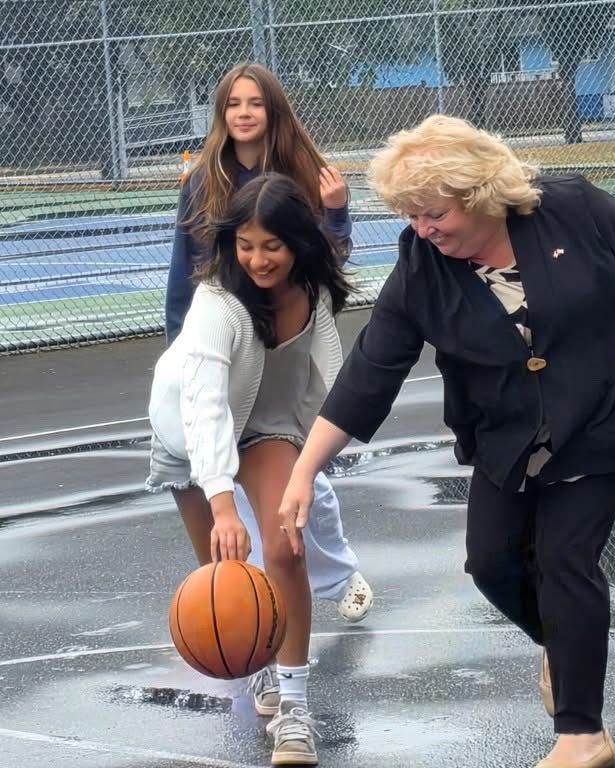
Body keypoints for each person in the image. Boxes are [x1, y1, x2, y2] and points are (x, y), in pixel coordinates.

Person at [276, 116, 615, 768]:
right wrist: (306, 469)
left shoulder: (573, 208)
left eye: (434, 212)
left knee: (565, 557)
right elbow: (371, 371)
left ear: (478, 193)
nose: (422, 228)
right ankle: (563, 647)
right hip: (510, 429)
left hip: (608, 409)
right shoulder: (422, 263)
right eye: (411, 215)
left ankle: (582, 735)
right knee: (491, 562)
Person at [163, 63, 373, 704]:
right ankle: (252, 651)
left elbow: (328, 278)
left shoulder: (303, 182)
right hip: (198, 400)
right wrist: (185, 349)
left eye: (256, 103)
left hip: (273, 402)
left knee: (293, 522)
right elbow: (202, 398)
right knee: (224, 557)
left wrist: (335, 217)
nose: (245, 113)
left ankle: (295, 691)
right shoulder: (205, 189)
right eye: (234, 103)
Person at [147, 173, 355, 764]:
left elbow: (323, 380)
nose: (258, 259)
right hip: (187, 431)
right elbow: (207, 404)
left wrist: (313, 462)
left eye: (273, 245)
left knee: (285, 548)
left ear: (298, 244)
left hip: (267, 425)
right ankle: (257, 663)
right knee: (226, 566)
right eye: (245, 244)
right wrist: (220, 502)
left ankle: (293, 711)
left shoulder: (313, 292)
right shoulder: (217, 301)